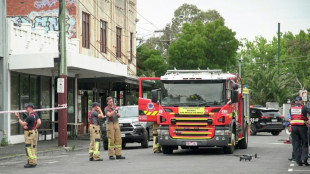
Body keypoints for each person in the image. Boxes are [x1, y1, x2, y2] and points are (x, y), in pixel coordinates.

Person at [14, 103, 38, 168]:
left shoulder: (30, 116)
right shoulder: (35, 115)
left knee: (28, 147)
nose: (25, 109)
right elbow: (39, 122)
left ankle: (31, 163)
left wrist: (18, 117)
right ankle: (34, 161)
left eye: (26, 108)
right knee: (33, 147)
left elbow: (22, 123)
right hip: (33, 132)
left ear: (30, 108)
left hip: (29, 133)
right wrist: (33, 127)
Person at [290, 96, 310, 166]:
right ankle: (304, 159)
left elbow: (291, 116)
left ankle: (298, 161)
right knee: (304, 143)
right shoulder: (304, 107)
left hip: (294, 128)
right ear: (301, 101)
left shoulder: (291, 108)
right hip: (302, 127)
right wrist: (308, 120)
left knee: (296, 144)